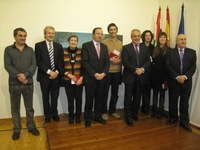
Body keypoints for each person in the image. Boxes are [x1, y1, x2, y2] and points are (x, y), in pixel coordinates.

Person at [4, 28, 40, 140]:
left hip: (28, 83)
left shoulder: (30, 50)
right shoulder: (8, 50)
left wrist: (26, 75)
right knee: (15, 108)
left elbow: (34, 65)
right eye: (20, 35)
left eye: (24, 35)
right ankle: (17, 129)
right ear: (15, 36)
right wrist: (19, 76)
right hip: (14, 84)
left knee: (29, 107)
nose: (23, 37)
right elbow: (7, 65)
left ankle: (31, 126)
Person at [166, 34, 196, 132]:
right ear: (177, 41)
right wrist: (177, 77)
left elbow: (193, 67)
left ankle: (184, 122)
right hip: (174, 81)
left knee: (184, 102)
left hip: (186, 82)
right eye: (181, 39)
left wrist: (185, 77)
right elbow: (168, 66)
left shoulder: (192, 52)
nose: (183, 41)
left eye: (184, 39)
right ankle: (173, 118)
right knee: (173, 101)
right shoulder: (170, 52)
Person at [122, 29, 151, 127]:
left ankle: (134, 114)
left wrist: (142, 69)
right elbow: (125, 62)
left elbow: (148, 61)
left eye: (138, 36)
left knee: (137, 97)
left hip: (141, 77)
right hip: (130, 76)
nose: (137, 38)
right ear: (131, 37)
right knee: (128, 97)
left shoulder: (145, 48)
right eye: (135, 36)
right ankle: (128, 117)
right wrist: (135, 70)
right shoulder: (126, 48)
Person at [82, 27, 110, 128]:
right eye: (98, 33)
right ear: (93, 35)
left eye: (101, 34)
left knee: (99, 99)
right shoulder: (86, 46)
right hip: (90, 78)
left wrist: (104, 73)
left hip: (102, 78)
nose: (100, 36)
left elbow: (107, 63)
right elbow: (85, 62)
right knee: (89, 99)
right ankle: (88, 119)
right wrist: (95, 74)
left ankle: (97, 117)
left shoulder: (104, 47)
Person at [35, 26, 64, 123]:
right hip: (44, 77)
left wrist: (56, 72)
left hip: (56, 77)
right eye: (49, 33)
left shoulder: (58, 46)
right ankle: (47, 116)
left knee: (55, 97)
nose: (51, 35)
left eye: (53, 33)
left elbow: (61, 62)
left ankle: (54, 114)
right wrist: (49, 72)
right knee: (45, 97)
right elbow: (38, 62)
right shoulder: (38, 45)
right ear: (45, 34)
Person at [101, 23, 122, 120]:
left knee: (115, 92)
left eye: (114, 29)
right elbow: (101, 57)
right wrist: (110, 60)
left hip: (117, 71)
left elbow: (123, 57)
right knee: (104, 92)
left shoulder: (120, 43)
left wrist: (119, 60)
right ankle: (104, 112)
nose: (113, 31)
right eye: (111, 29)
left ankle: (112, 111)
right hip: (107, 71)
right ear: (108, 31)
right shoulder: (104, 42)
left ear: (117, 30)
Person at [63, 35, 83, 124]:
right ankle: (71, 117)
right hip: (67, 80)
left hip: (79, 81)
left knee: (79, 100)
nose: (73, 42)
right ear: (68, 41)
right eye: (71, 40)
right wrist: (69, 75)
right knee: (70, 100)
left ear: (77, 42)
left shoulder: (81, 52)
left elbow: (84, 66)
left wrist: (81, 78)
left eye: (75, 40)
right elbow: (60, 67)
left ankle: (78, 117)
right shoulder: (63, 52)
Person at [151, 32, 171, 119]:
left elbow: (169, 65)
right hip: (155, 76)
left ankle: (161, 112)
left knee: (162, 94)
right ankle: (154, 111)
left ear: (166, 39)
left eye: (164, 37)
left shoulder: (170, 50)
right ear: (158, 39)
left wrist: (167, 77)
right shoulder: (155, 49)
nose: (162, 39)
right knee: (155, 93)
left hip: (165, 76)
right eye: (160, 37)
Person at [140, 30, 155, 114]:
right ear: (143, 37)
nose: (148, 37)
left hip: (149, 73)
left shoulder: (153, 47)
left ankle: (145, 108)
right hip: (140, 72)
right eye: (146, 35)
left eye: (149, 35)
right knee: (137, 92)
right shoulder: (140, 46)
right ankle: (135, 107)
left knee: (147, 91)